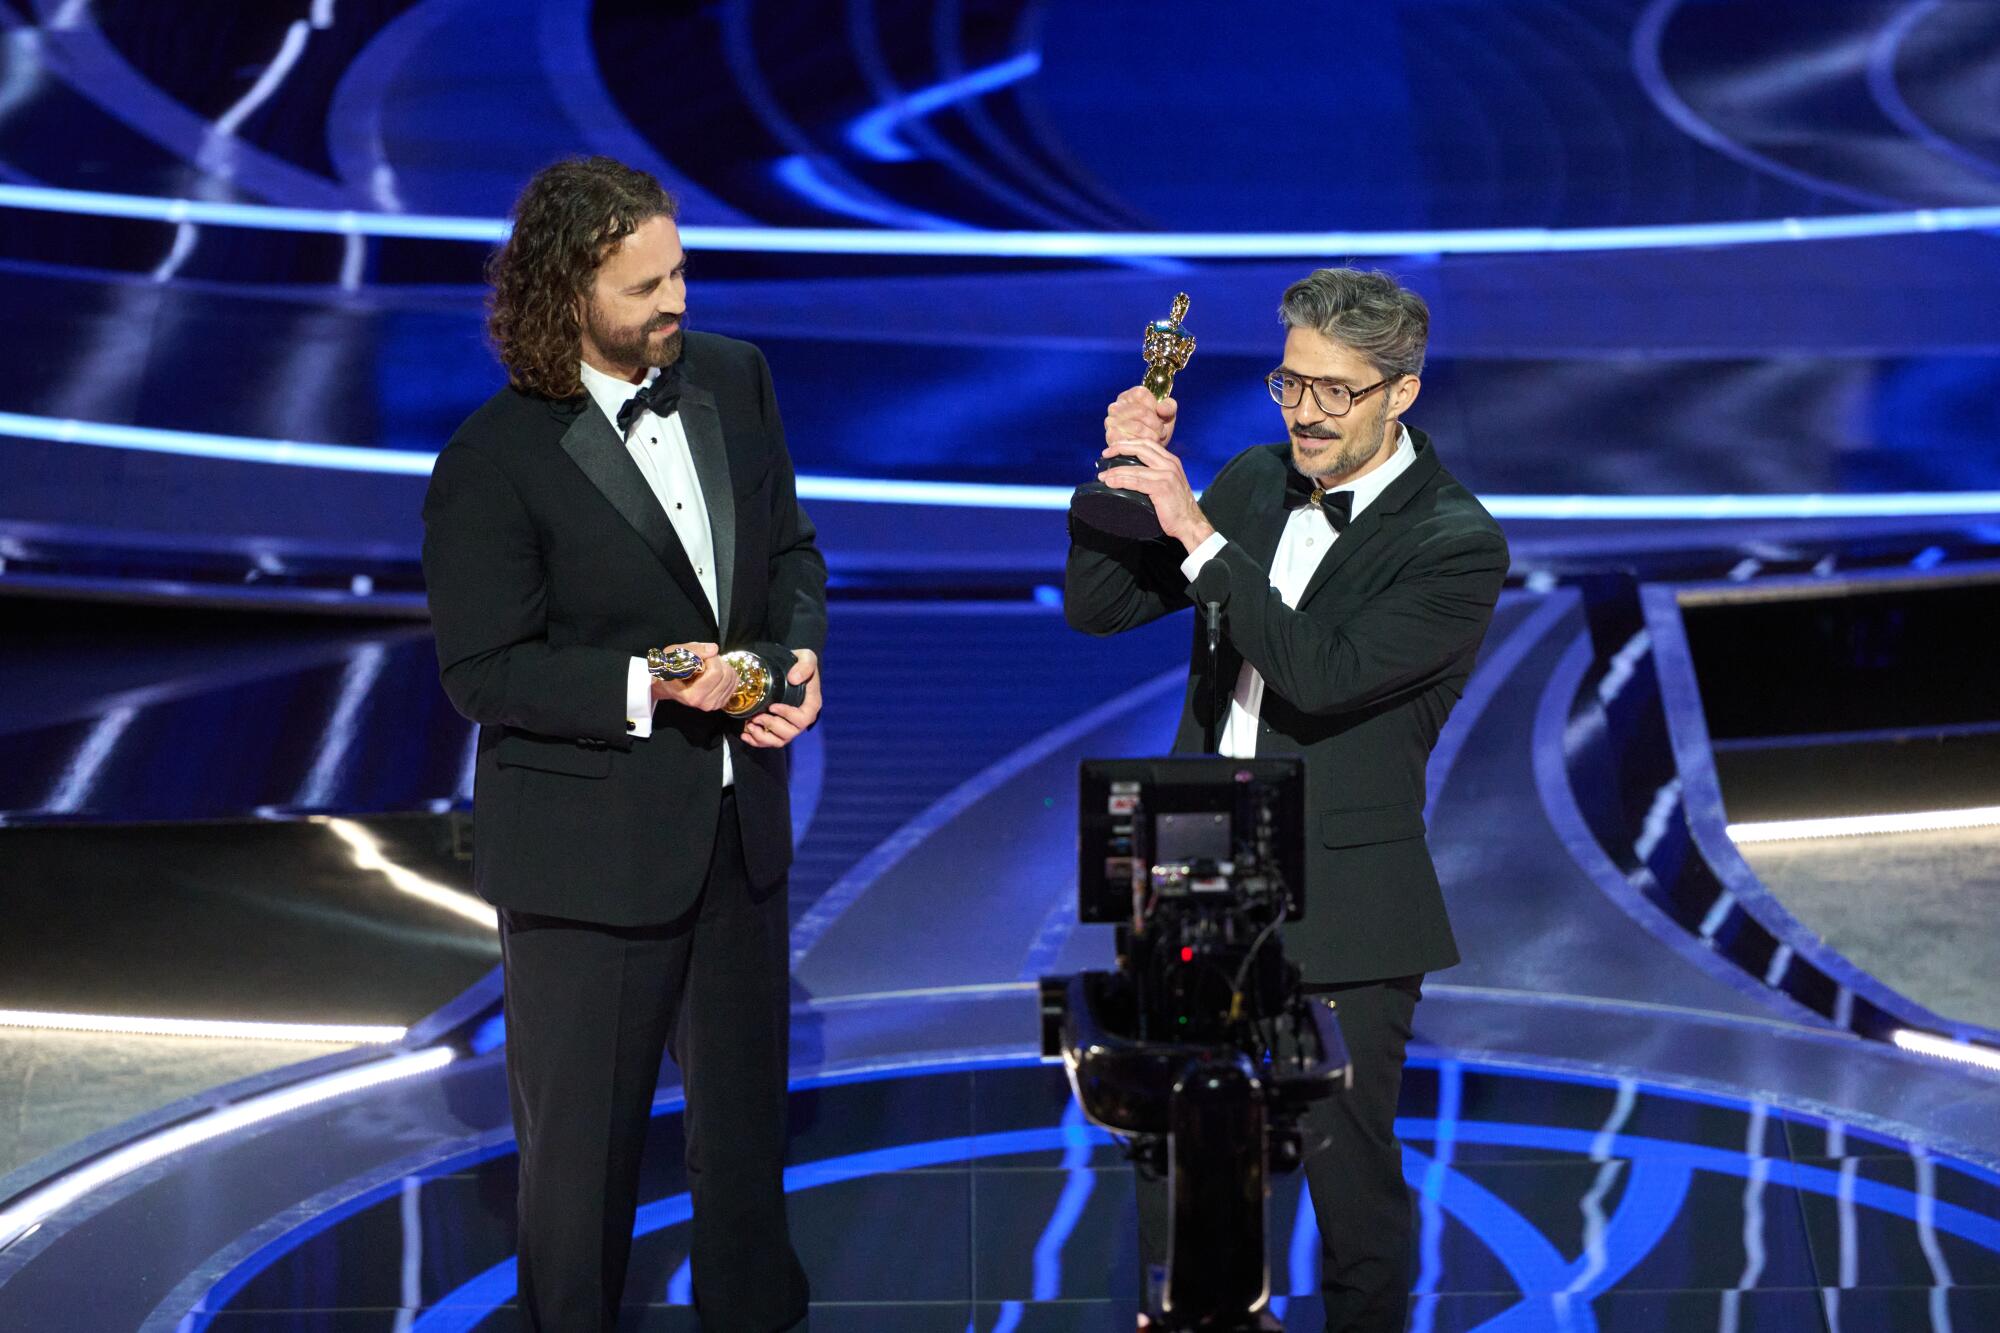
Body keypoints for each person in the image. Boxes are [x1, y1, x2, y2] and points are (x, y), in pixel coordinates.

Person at [421, 156, 824, 1332]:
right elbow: (483, 671)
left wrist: (794, 659)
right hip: (587, 860)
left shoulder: (734, 383)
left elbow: (791, 554)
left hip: (735, 836)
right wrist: (654, 683)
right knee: (580, 1168)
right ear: (567, 292)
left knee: (745, 1150)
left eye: (680, 270)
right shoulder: (493, 459)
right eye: (645, 284)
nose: (676, 301)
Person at [1065, 267, 1508, 1332]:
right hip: (1192, 857)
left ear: (1399, 391)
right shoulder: (1259, 478)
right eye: (1287, 383)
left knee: (1344, 1172)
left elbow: (1319, 671)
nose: (1303, 412)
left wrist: (1201, 538)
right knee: (1174, 1149)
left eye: (1333, 391)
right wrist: (1129, 479)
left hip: (1342, 894)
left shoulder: (1453, 541)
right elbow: (1099, 607)